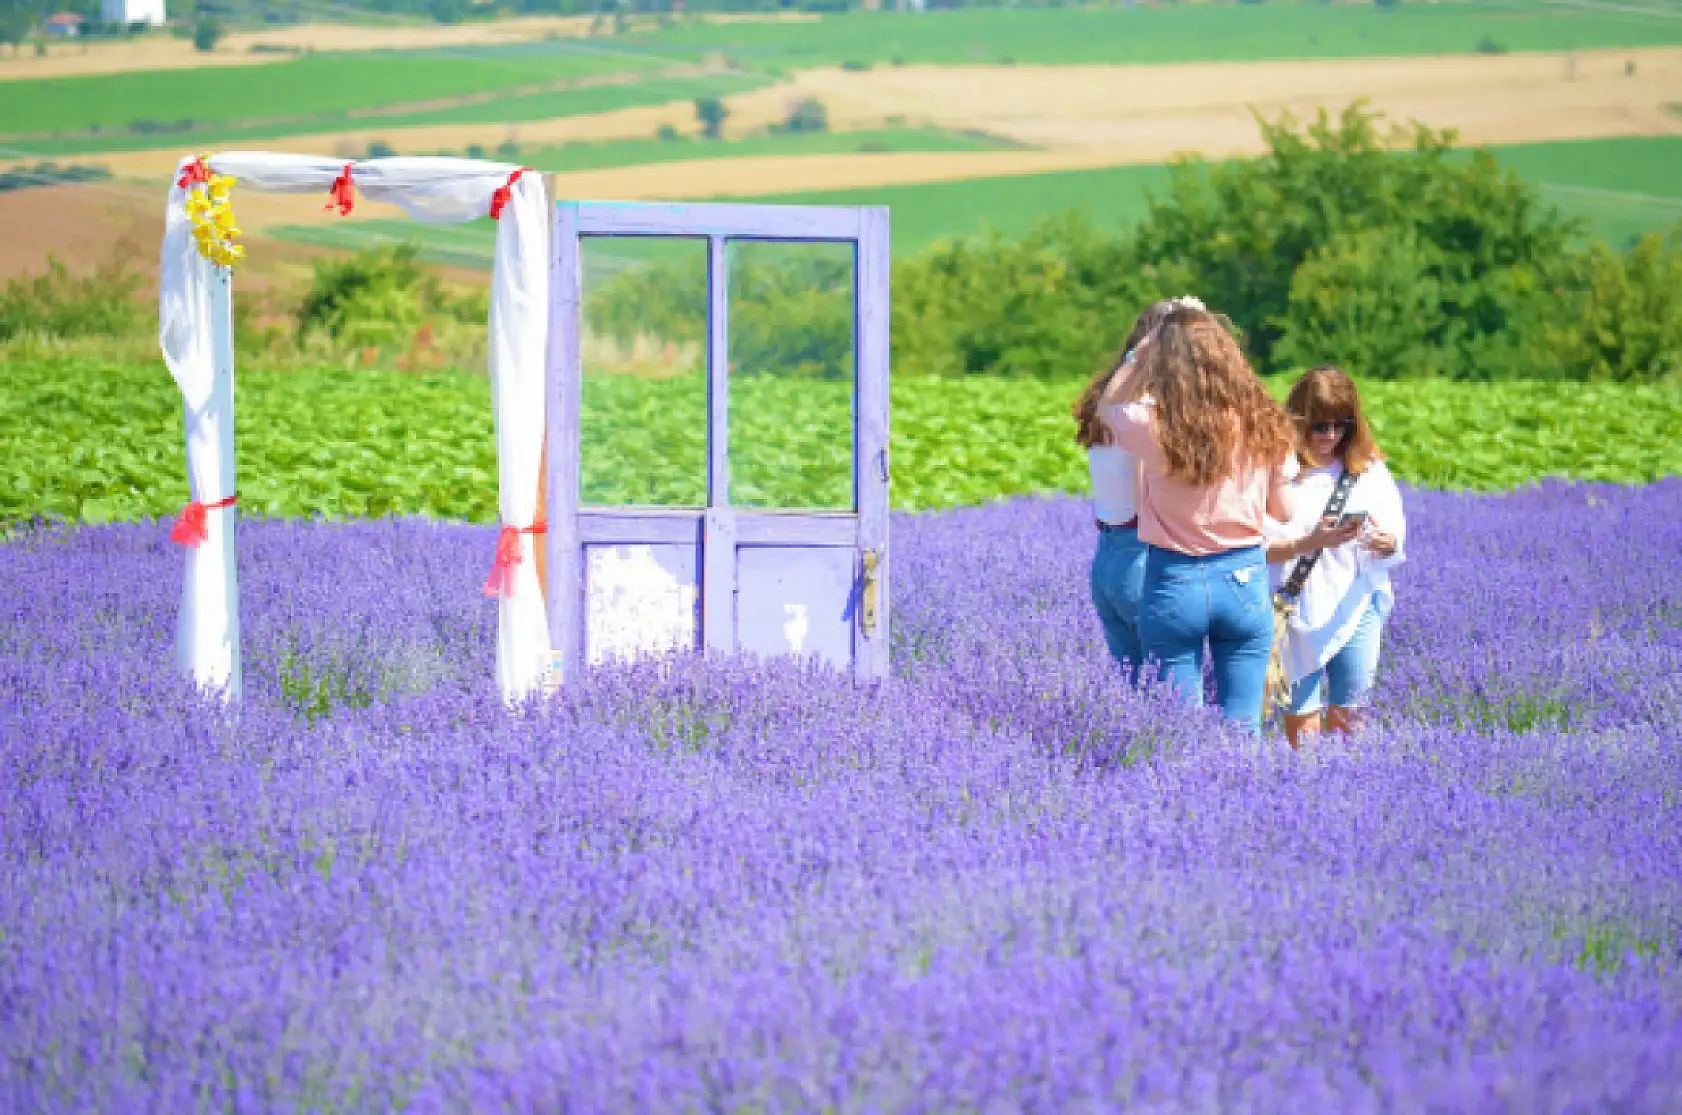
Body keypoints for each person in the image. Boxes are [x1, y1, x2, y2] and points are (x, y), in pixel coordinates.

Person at [1099, 303, 1297, 733]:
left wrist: (1146, 347)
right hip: (1245, 576)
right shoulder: (1264, 423)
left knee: (1179, 727)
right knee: (1244, 724)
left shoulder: (1154, 426)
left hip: (1173, 580)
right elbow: (1284, 511)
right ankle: (1243, 796)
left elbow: (1109, 404)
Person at [1265, 365, 1406, 748]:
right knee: (1303, 730)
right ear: (1298, 421)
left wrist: (1385, 542)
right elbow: (1256, 545)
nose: (1330, 436)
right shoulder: (1279, 471)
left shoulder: (1368, 470)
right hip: (1295, 610)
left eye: (1340, 425)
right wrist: (1309, 542)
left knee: (1351, 721)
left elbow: (1395, 532)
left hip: (1356, 604)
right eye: (1319, 426)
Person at [1072, 299, 1178, 681]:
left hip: (1107, 556)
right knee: (1169, 685)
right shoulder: (1142, 410)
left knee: (1134, 685)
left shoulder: (1105, 405)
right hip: (1142, 553)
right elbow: (1145, 493)